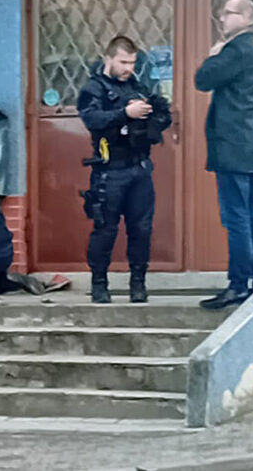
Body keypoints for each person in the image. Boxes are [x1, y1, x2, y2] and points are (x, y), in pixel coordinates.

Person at [195, 0, 253, 311]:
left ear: (245, 16)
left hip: (234, 143)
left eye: (227, 14)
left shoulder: (238, 48)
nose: (221, 19)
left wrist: (213, 55)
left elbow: (203, 80)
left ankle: (238, 284)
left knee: (237, 216)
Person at [77, 36, 172, 304]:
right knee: (105, 230)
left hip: (139, 169)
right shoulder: (94, 89)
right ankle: (99, 285)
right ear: (109, 59)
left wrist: (155, 117)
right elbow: (92, 119)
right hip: (110, 172)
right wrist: (125, 114)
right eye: (123, 62)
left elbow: (160, 118)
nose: (128, 67)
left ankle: (138, 285)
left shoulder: (137, 87)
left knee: (141, 230)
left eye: (132, 62)